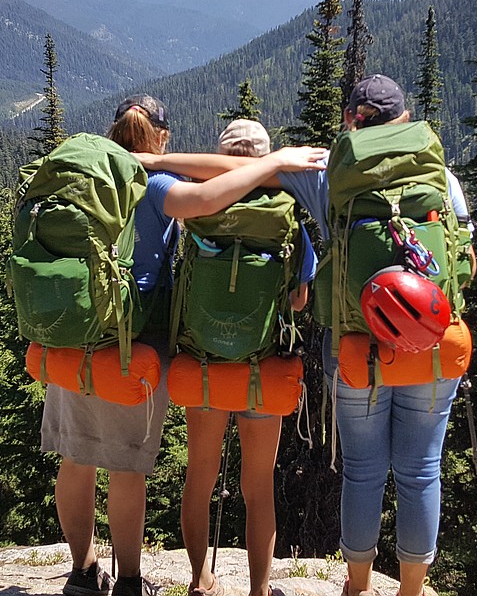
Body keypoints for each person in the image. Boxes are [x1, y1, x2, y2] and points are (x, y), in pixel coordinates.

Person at [136, 76, 474, 596]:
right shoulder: (440, 177)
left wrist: (158, 162)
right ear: (404, 122)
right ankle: (409, 591)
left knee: (362, 472)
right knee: (421, 471)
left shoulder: (331, 176)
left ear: (349, 123)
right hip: (432, 346)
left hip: (356, 350)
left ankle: (357, 587)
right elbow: (465, 263)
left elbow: (243, 172)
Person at [44, 95, 328, 596]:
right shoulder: (164, 188)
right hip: (184, 349)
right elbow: (300, 299)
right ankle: (199, 587)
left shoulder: (96, 176)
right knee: (144, 469)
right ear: (162, 139)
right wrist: (279, 165)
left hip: (87, 329)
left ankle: (119, 574)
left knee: (89, 459)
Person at [178, 119, 318, 596]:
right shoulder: (285, 217)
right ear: (265, 158)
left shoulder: (198, 211)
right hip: (261, 366)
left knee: (200, 476)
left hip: (203, 365)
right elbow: (298, 301)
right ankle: (259, 590)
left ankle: (199, 580)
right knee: (258, 486)